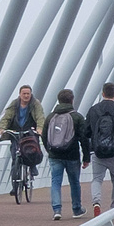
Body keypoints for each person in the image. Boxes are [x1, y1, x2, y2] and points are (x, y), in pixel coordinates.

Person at [83, 81, 114, 214]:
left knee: (97, 178)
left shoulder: (93, 110)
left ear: (103, 93)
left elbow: (86, 131)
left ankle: (96, 202)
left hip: (97, 151)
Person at [42, 87, 85, 219]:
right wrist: (87, 156)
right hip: (72, 155)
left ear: (59, 100)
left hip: (55, 155)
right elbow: (84, 138)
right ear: (72, 100)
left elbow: (44, 136)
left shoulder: (50, 117)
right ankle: (76, 209)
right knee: (74, 182)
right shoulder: (77, 117)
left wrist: (49, 150)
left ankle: (57, 210)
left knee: (55, 182)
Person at [0, 84, 45, 199]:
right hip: (17, 132)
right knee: (15, 157)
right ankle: (15, 186)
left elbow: (40, 116)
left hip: (30, 132)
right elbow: (7, 117)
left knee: (32, 150)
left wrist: (40, 128)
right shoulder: (14, 104)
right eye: (24, 93)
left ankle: (32, 167)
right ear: (20, 94)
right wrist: (2, 128)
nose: (26, 96)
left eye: (28, 93)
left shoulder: (35, 104)